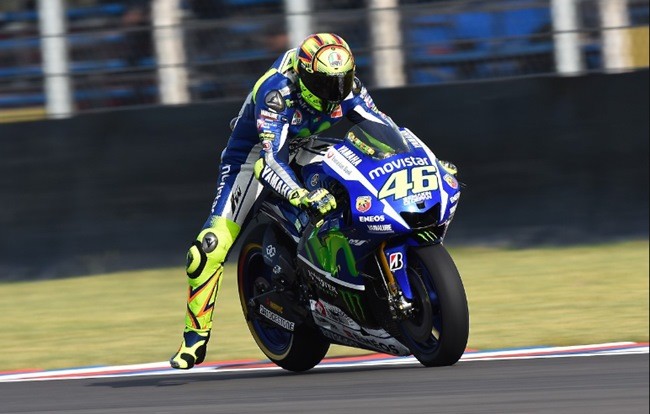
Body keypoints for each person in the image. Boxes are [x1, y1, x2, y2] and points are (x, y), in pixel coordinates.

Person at [170, 33, 402, 369]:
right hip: (253, 158)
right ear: (305, 76)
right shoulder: (277, 92)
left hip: (305, 146)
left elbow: (383, 127)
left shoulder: (346, 87)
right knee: (207, 248)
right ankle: (195, 337)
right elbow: (271, 162)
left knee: (356, 178)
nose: (336, 92)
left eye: (342, 80)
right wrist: (301, 195)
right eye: (326, 83)